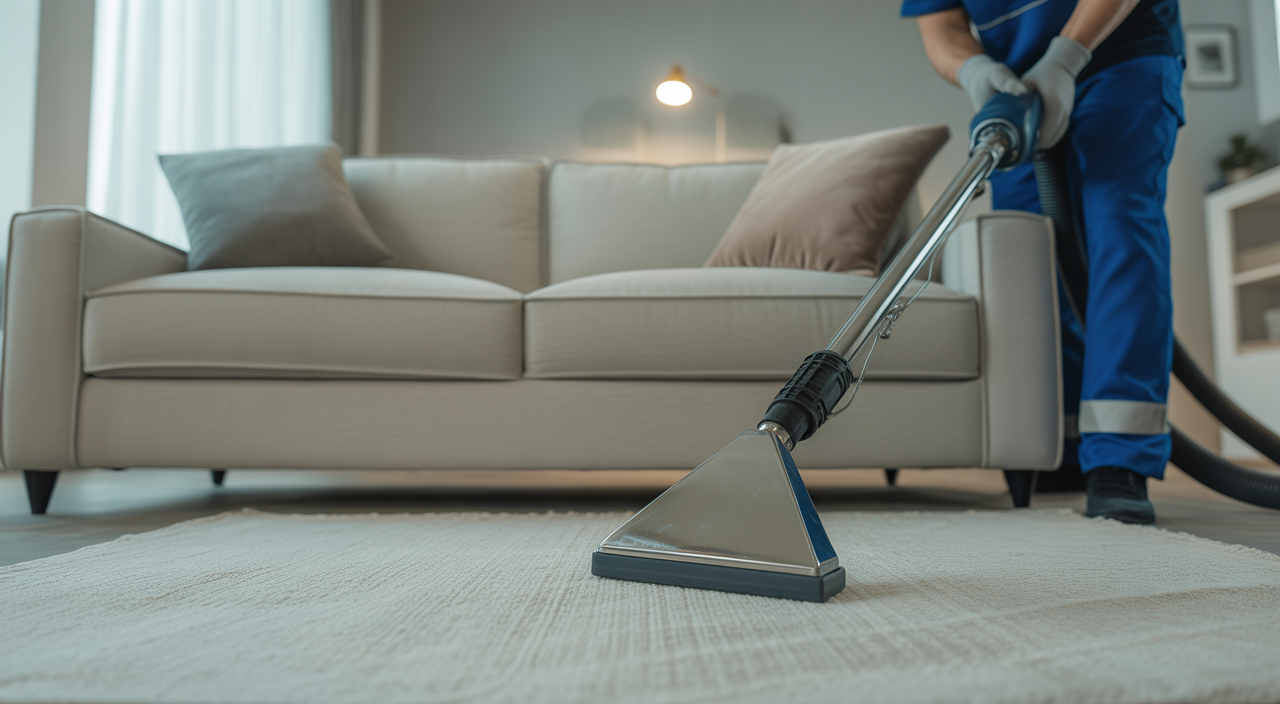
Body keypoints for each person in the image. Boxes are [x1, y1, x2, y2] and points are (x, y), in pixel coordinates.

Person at [902, 0, 1185, 523]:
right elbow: (939, 26)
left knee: (1118, 234)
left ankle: (1120, 457)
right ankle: (1068, 445)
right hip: (1017, 87)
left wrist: (1068, 54)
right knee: (1029, 260)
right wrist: (976, 69)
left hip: (1121, 54)